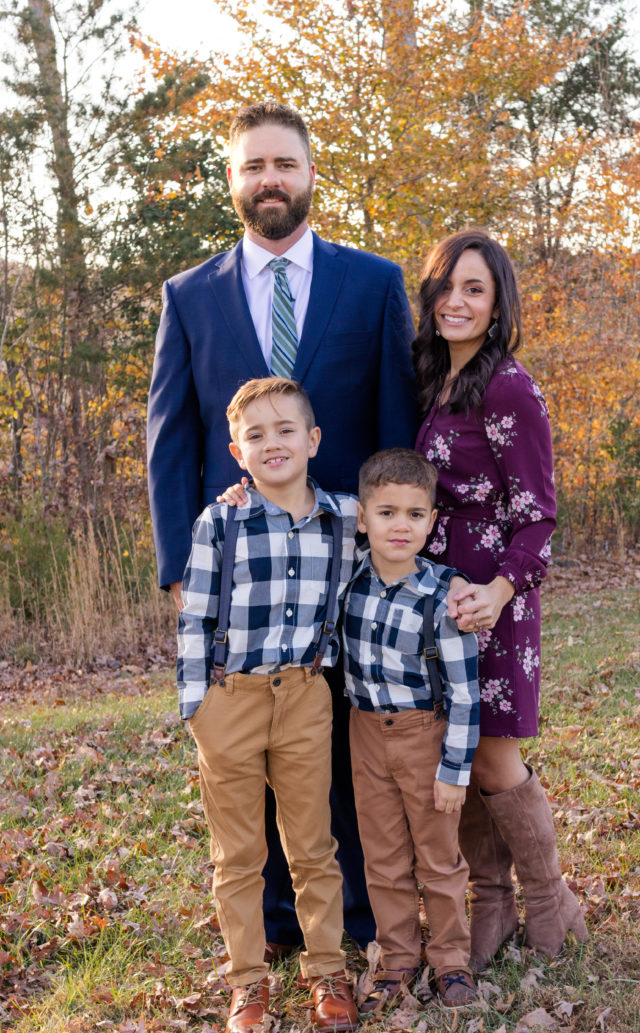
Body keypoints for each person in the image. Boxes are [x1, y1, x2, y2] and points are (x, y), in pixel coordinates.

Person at [147, 100, 417, 955]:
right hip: (237, 571)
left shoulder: (373, 283)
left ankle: (355, 919)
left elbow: (394, 426)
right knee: (247, 751)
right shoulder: (189, 296)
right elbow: (171, 438)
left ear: (309, 175)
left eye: (284, 164)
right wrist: (177, 566)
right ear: (233, 182)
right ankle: (267, 930)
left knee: (336, 742)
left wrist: (396, 546)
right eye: (253, 166)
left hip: (345, 561)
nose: (270, 179)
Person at [413, 229, 588, 969]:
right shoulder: (433, 380)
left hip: (496, 597)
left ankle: (551, 900)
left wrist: (500, 588)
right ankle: (493, 903)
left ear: (497, 303)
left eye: (474, 289)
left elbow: (539, 512)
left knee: (494, 757)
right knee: (464, 752)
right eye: (446, 286)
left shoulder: (510, 385)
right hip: (442, 598)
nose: (457, 300)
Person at [178, 377, 360, 1033]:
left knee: (313, 843)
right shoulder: (218, 522)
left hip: (306, 694)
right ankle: (247, 982)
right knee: (239, 853)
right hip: (231, 697)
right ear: (237, 451)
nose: (273, 443)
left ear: (313, 440)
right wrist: (197, 710)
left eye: (286, 430)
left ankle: (327, 970)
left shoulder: (344, 518)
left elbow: (405, 521)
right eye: (256, 435)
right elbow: (194, 619)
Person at [343, 449, 481, 1014]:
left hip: (425, 734)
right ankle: (398, 956)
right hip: (365, 731)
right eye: (386, 512)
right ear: (362, 518)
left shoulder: (445, 596)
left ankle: (451, 960)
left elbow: (467, 694)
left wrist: (454, 772)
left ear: (431, 521)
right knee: (382, 855)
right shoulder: (349, 579)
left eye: (415, 514)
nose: (400, 525)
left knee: (438, 857)